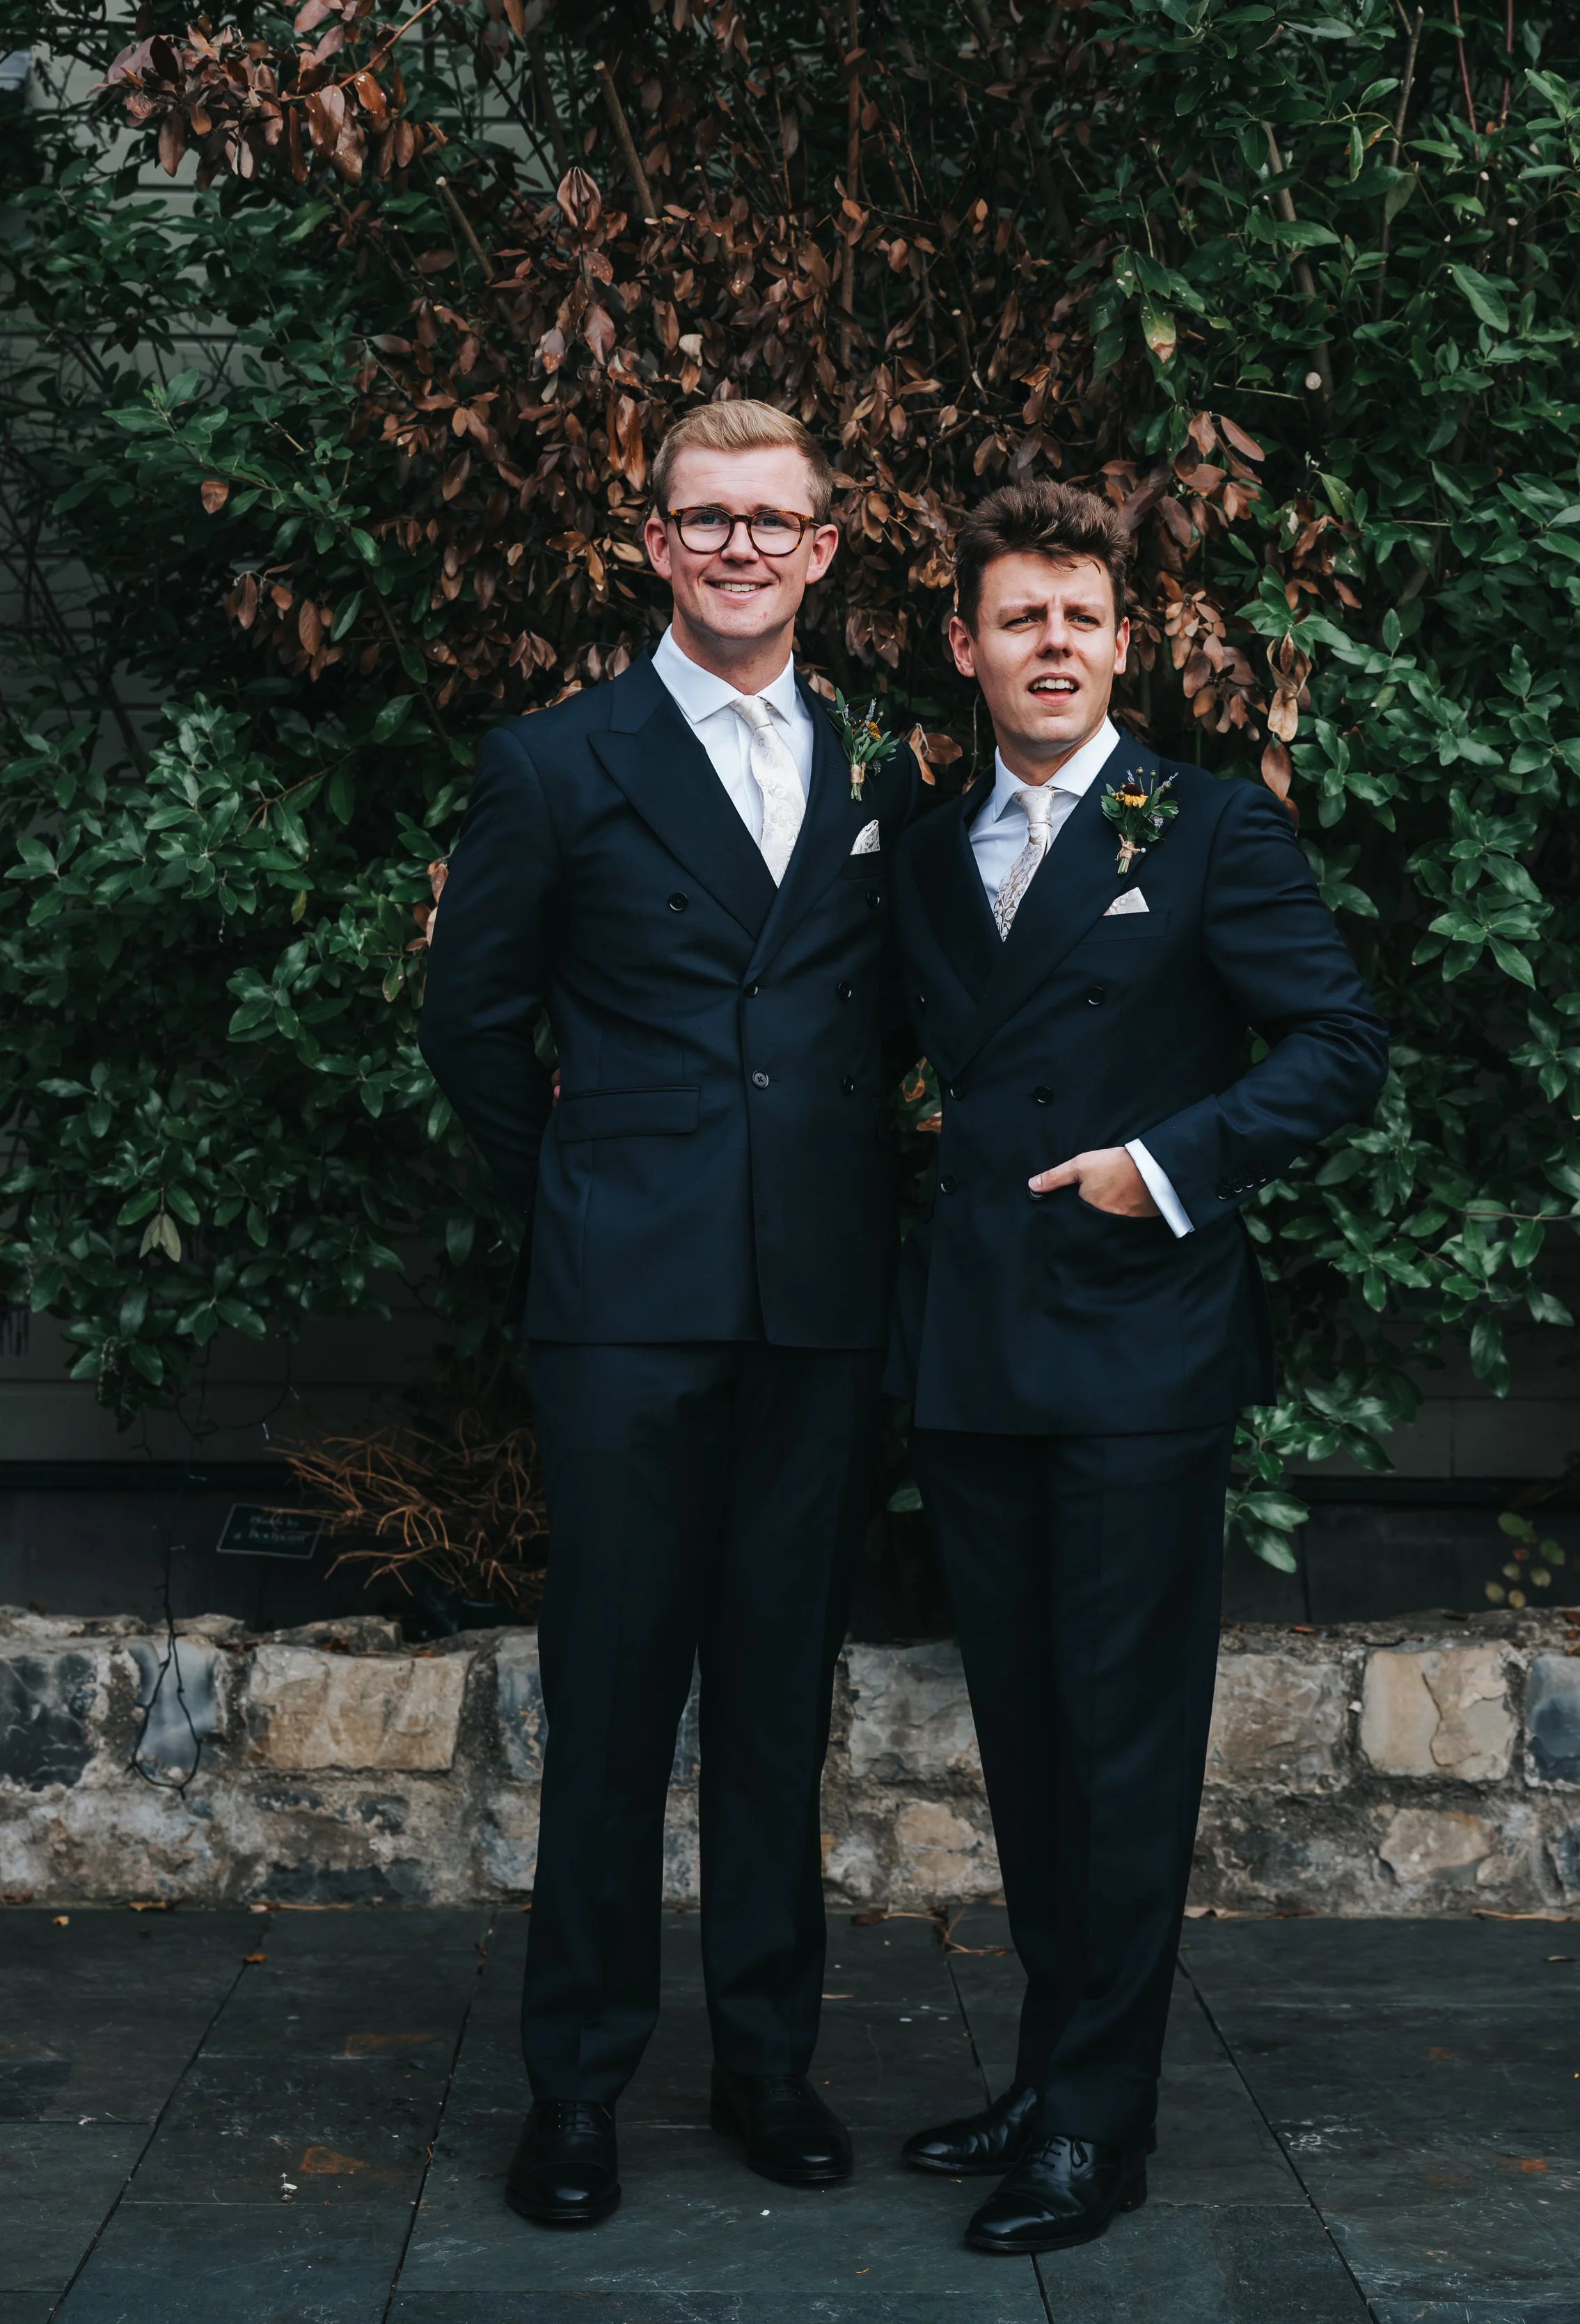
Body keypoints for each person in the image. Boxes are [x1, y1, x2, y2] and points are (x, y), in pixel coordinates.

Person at [419, 400, 927, 2228]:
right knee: (616, 1704)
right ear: (653, 543)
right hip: (626, 1310)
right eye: (703, 519)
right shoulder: (555, 761)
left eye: (769, 521)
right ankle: (576, 2087)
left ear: (821, 549)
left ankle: (766, 2063)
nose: (736, 548)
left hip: (818, 1310)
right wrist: (586, 1185)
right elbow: (472, 1024)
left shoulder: (881, 770)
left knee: (779, 1706)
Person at [887, 480, 1388, 2256]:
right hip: (972, 1355)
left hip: (1133, 1349)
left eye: (1080, 619)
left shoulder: (1204, 827)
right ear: (965, 645)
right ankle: (1049, 2075)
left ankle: (1098, 2130)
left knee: (1120, 1750)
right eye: (1018, 618)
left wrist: (1160, 1164)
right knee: (1028, 1745)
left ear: (1122, 642)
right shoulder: (924, 848)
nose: (1052, 645)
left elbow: (1337, 1044)